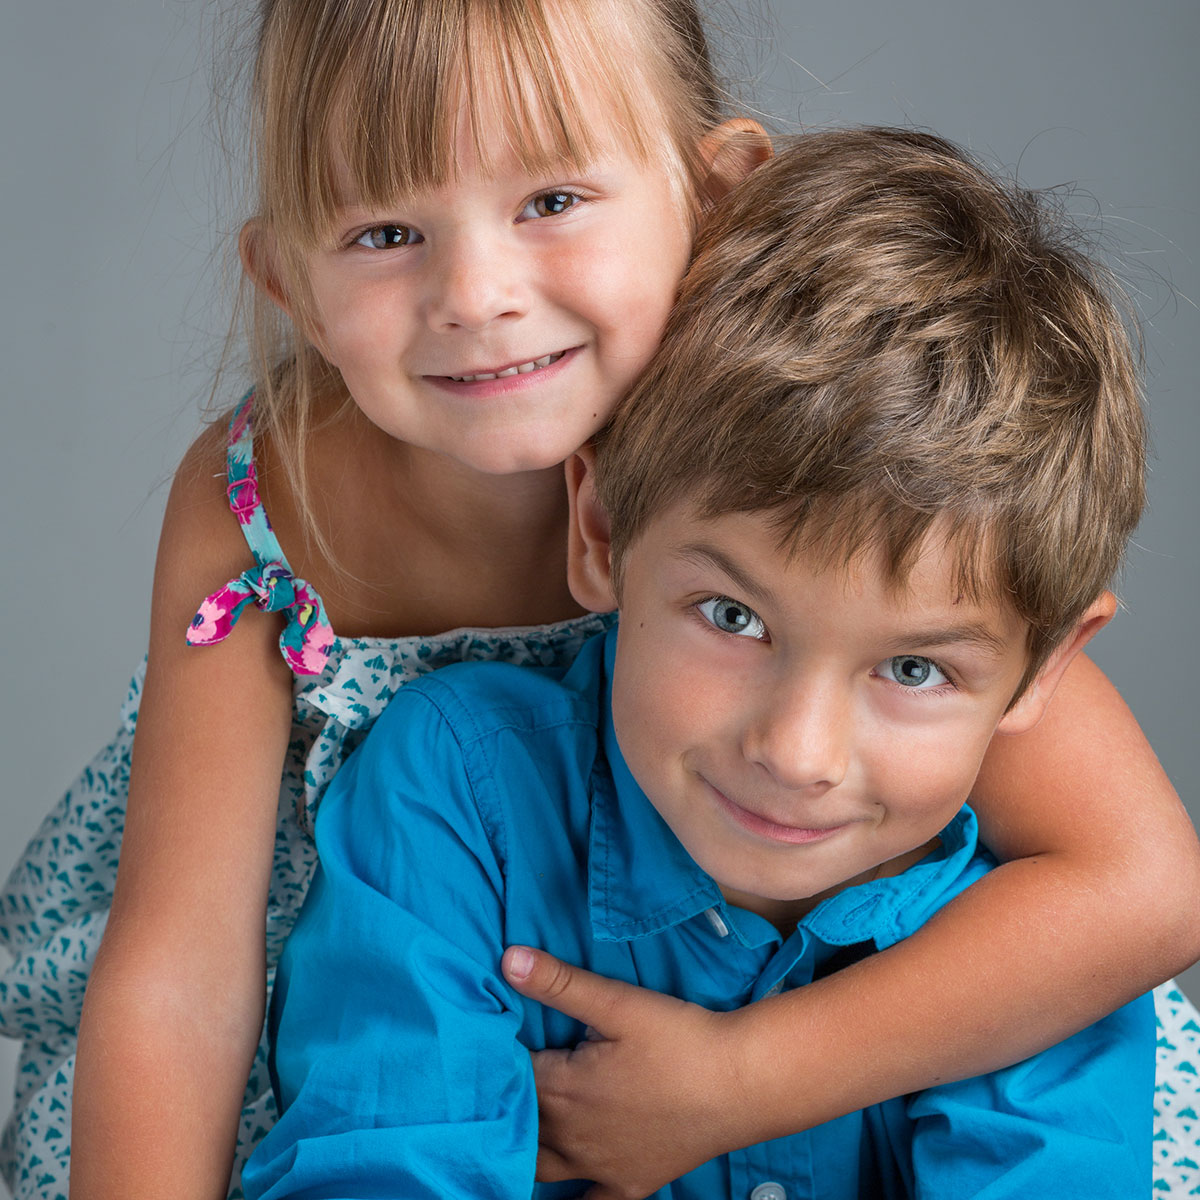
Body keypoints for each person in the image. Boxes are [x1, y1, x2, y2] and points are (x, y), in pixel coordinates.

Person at [0, 2, 1194, 1197]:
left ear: (713, 194)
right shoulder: (269, 496)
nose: (476, 294)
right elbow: (180, 978)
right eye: (384, 231)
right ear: (291, 285)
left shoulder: (799, 443)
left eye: (553, 203)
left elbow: (1143, 886)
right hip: (388, 1028)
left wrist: (740, 1082)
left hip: (753, 1030)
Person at [242, 128, 1157, 1199]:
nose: (797, 753)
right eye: (731, 616)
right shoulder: (461, 796)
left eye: (911, 672)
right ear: (598, 531)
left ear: (1046, 668)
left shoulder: (1022, 962)